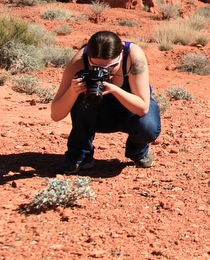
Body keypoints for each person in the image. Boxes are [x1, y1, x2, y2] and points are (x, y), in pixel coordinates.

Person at [51, 31, 161, 173]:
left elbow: (143, 108)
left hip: (130, 113)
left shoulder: (133, 56)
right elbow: (56, 115)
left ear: (121, 53)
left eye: (111, 67)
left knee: (148, 126)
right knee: (80, 99)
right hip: (98, 116)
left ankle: (138, 151)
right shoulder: (79, 61)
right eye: (96, 66)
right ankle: (79, 156)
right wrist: (73, 92)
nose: (105, 72)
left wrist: (114, 90)